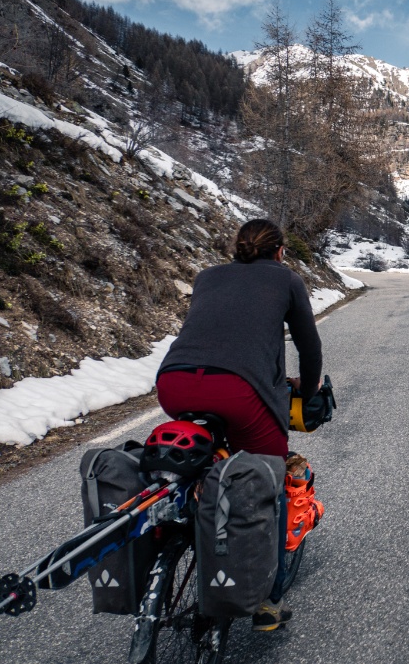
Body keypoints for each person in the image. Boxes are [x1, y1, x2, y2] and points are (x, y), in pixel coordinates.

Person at [155, 218, 322, 631]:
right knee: (270, 480)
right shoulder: (286, 280)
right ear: (280, 251)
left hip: (173, 382)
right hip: (239, 391)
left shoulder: (207, 276)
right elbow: (308, 344)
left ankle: (188, 514)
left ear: (238, 248)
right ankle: (267, 601)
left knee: (199, 457)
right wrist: (311, 388)